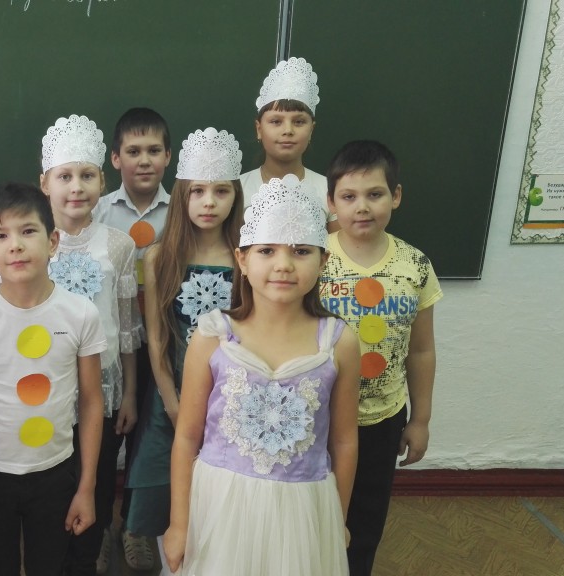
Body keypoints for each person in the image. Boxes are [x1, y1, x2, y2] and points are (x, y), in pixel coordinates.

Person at [164, 174, 361, 575]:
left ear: (323, 261)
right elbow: (186, 437)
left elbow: (343, 441)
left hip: (304, 510)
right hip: (222, 506)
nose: (283, 265)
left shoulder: (338, 342)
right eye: (267, 250)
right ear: (242, 259)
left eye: (301, 251)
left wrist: (335, 517)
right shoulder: (213, 335)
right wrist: (179, 523)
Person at [0, 181, 105, 576]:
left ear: (53, 241)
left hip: (55, 472)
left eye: (28, 231)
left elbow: (91, 402)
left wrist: (86, 488)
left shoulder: (81, 314)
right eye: (1, 235)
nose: (15, 245)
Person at [321, 140, 443, 576]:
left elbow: (422, 350)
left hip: (382, 418)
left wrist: (421, 419)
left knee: (364, 523)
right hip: (316, 418)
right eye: (348, 196)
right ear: (330, 201)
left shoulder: (415, 265)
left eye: (375, 194)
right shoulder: (311, 259)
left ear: (396, 196)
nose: (362, 207)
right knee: (313, 515)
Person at [125, 128, 244, 575]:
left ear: (235, 197)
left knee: (218, 485)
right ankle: (157, 550)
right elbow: (156, 338)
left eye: (221, 191)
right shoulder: (160, 256)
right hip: (171, 391)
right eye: (197, 191)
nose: (209, 202)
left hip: (230, 393)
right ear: (182, 196)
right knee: (163, 478)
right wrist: (172, 401)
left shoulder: (247, 258)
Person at [38, 115, 141, 576]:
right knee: (52, 475)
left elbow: (128, 327)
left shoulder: (119, 245)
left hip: (103, 386)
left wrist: (130, 393)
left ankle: (90, 546)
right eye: (64, 177)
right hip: (48, 384)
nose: (76, 187)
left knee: (96, 475)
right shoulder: (34, 242)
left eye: (87, 176)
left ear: (103, 181)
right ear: (45, 183)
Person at [91, 107, 171, 573]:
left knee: (149, 435)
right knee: (106, 438)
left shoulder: (182, 211)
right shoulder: (98, 210)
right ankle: (101, 525)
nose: (144, 160)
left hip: (162, 341)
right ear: (115, 158)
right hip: (110, 342)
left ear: (168, 157)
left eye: (154, 151)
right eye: (134, 151)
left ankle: (137, 526)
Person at [240, 57, 338, 232]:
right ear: (259, 129)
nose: (288, 130)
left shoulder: (329, 190)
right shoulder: (237, 188)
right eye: (276, 122)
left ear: (311, 130)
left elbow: (338, 245)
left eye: (299, 122)